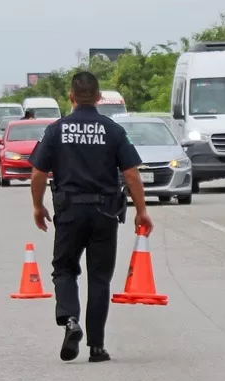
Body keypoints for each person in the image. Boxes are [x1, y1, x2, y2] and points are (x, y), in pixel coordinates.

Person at [28, 71, 153, 363]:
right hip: (105, 213)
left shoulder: (57, 130)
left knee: (65, 269)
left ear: (71, 97)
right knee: (99, 278)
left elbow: (38, 172)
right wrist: (142, 211)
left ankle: (71, 320)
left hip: (70, 212)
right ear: (99, 98)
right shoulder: (112, 130)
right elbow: (131, 173)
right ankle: (97, 347)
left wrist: (38, 205)